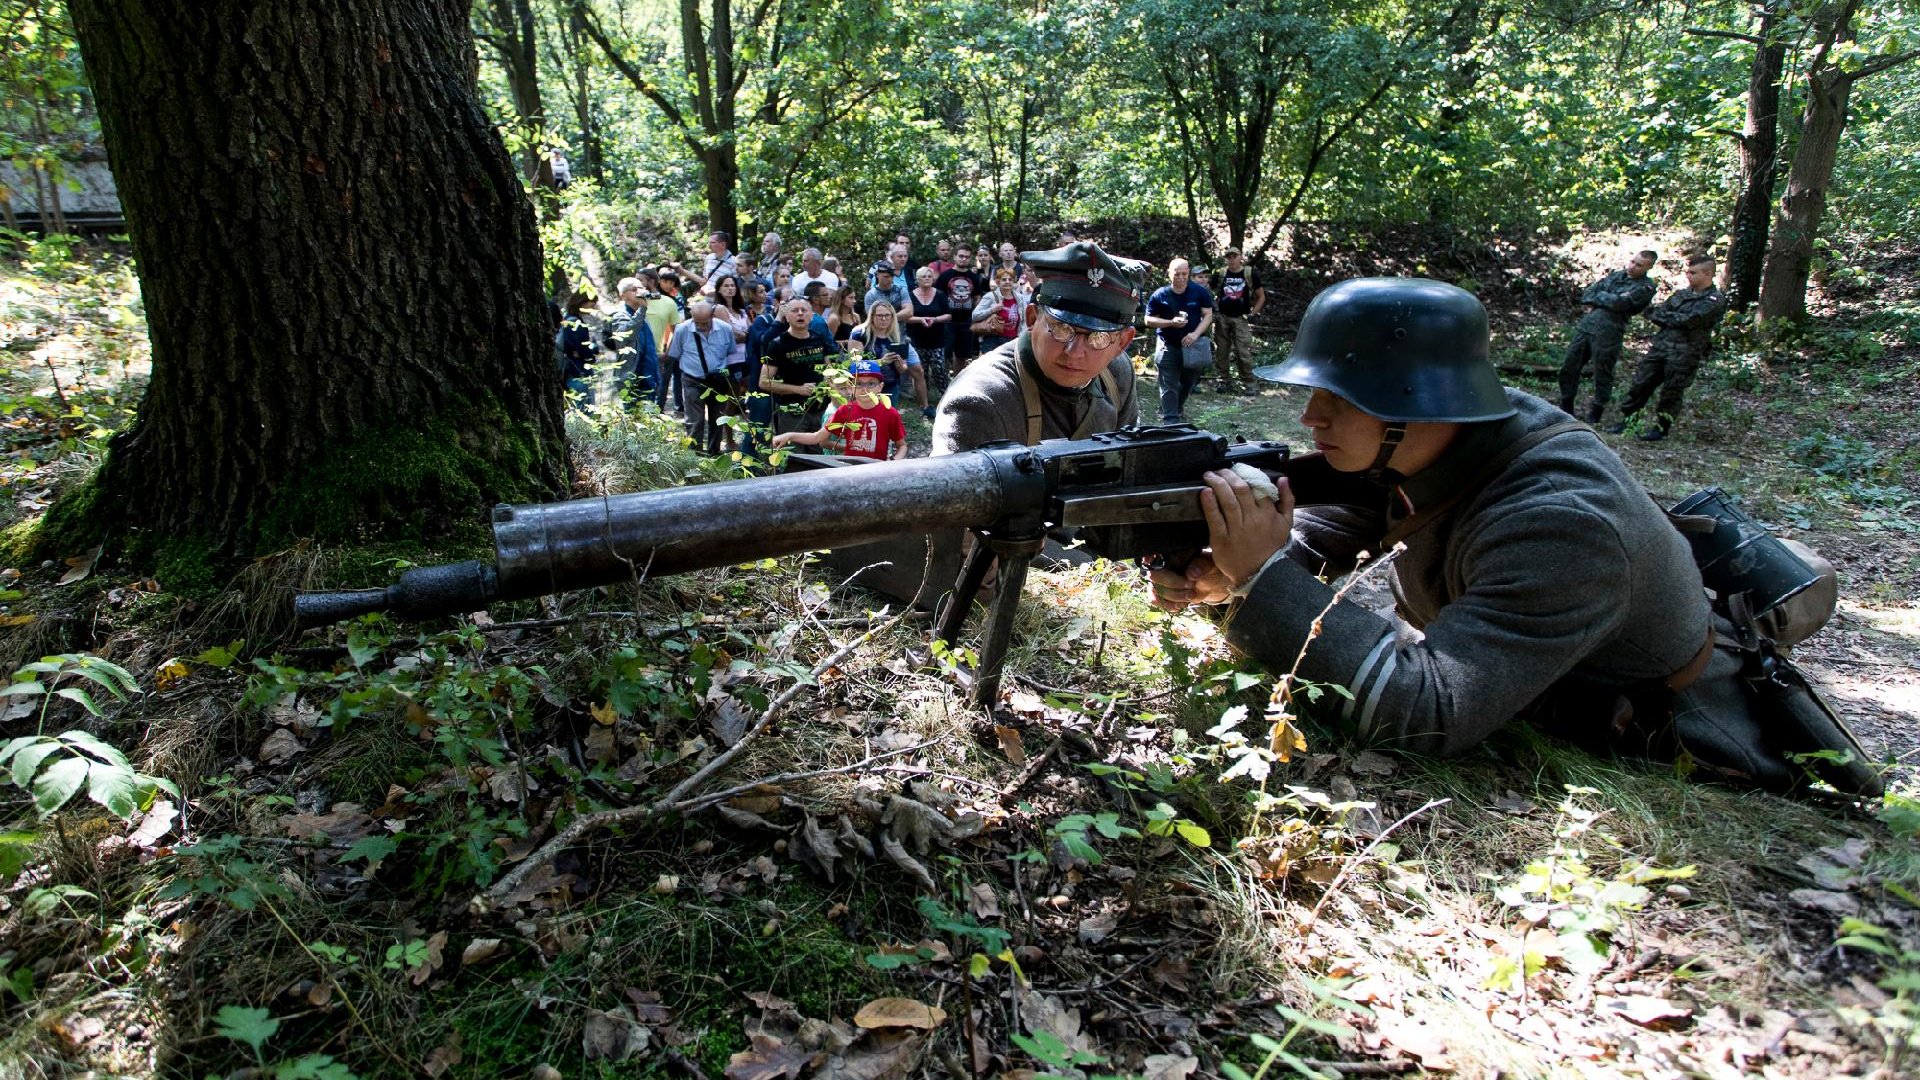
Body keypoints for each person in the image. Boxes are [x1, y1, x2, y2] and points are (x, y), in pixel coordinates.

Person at [1146, 277, 1856, 791]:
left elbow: (1429, 714)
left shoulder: (1560, 523)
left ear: (1418, 407)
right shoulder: (1448, 436)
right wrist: (1238, 565)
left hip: (1656, 730)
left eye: (1340, 397)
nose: (1311, 418)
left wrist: (1267, 578)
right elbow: (1346, 519)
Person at [934, 241, 1142, 454]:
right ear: (1032, 319)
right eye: (1062, 328)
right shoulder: (981, 400)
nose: (1075, 352)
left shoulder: (1116, 375)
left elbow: (1127, 461)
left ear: (1122, 343)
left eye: (1099, 337)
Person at [1608, 255, 1728, 441]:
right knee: (1640, 384)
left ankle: (1661, 428)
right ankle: (1628, 421)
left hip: (1685, 353)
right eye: (1687, 272)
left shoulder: (1714, 299)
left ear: (1707, 274)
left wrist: (1669, 318)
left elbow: (1690, 320)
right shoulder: (1681, 295)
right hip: (1660, 347)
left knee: (1672, 392)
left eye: (1693, 272)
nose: (1688, 276)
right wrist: (1670, 318)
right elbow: (1654, 312)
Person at [1558, 250, 1658, 424]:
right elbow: (1588, 294)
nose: (1632, 266)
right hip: (1588, 326)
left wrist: (1605, 298)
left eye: (1639, 265)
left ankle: (1596, 411)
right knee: (1569, 366)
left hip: (1610, 331)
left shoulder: (1646, 287)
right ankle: (1566, 405)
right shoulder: (1617, 276)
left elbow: (1621, 304)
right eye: (1632, 261)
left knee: (1603, 371)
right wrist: (1610, 298)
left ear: (1649, 267)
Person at [771, 359, 907, 461]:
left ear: (880, 387)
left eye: (871, 383)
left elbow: (902, 446)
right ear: (850, 387)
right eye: (858, 383)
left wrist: (893, 462)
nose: (865, 388)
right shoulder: (844, 411)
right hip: (849, 470)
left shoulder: (890, 413)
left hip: (878, 469)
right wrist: (789, 435)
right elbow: (817, 437)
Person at [665, 297, 740, 454]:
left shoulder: (725, 328)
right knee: (695, 420)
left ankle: (714, 452)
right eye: (697, 322)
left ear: (712, 316)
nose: (700, 326)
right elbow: (675, 353)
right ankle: (694, 454)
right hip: (692, 379)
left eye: (705, 323)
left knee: (717, 419)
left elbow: (731, 351)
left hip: (718, 380)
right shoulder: (682, 330)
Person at [1144, 258, 1214, 423]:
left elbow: (1208, 315)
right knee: (1169, 382)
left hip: (1192, 345)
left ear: (1188, 273)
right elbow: (1148, 320)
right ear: (1169, 274)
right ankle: (1171, 419)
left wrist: (1195, 334)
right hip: (1168, 344)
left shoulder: (1199, 292)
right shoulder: (1160, 295)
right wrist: (1170, 323)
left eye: (1184, 274)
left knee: (1188, 382)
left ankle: (1177, 408)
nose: (1181, 277)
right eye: (1177, 274)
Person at [759, 297, 841, 435]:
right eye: (795, 310)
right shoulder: (778, 344)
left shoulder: (819, 338)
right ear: (787, 316)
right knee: (794, 454)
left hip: (821, 408)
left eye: (804, 310)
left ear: (811, 315)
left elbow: (831, 372)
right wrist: (798, 389)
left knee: (820, 453)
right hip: (792, 410)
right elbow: (763, 382)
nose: (800, 313)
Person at [848, 298, 923, 413]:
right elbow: (854, 365)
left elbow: (903, 369)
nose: (884, 319)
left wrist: (900, 365)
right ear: (872, 316)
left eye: (887, 315)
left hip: (890, 386)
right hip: (865, 388)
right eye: (879, 315)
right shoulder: (860, 334)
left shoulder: (895, 335)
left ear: (892, 317)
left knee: (887, 421)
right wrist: (880, 362)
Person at [1214, 248, 1265, 393]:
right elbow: (1209, 289)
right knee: (1221, 350)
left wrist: (1253, 313)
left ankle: (1249, 383)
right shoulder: (1221, 273)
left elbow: (1261, 296)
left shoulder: (1249, 273)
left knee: (1243, 351)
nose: (1232, 259)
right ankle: (1223, 381)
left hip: (1240, 318)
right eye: (1229, 257)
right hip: (1222, 317)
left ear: (1240, 257)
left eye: (1234, 256)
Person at [607, 276, 660, 407]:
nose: (640, 292)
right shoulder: (620, 315)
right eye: (634, 289)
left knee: (649, 420)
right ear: (622, 295)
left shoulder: (641, 315)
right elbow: (625, 335)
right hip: (632, 379)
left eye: (641, 288)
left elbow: (650, 349)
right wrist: (642, 310)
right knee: (633, 420)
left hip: (649, 376)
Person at [905, 266, 951, 417]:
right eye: (924, 276)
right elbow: (906, 317)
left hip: (936, 340)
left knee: (939, 370)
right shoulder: (910, 296)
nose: (927, 279)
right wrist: (921, 319)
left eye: (929, 276)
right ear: (917, 280)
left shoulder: (940, 295)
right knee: (920, 372)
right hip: (916, 340)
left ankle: (947, 397)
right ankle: (922, 402)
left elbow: (949, 315)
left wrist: (935, 319)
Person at [936, 246, 987, 375]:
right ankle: (942, 380)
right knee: (945, 353)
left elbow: (977, 298)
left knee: (962, 355)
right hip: (948, 321)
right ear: (955, 257)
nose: (964, 259)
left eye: (967, 257)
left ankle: (956, 379)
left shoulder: (974, 277)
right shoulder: (945, 276)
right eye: (961, 256)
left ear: (970, 259)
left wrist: (976, 317)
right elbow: (938, 297)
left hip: (966, 321)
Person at [644, 271, 685, 412]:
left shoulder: (673, 299)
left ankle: (660, 408)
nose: (669, 285)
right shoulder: (639, 300)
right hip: (645, 347)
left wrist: (670, 348)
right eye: (666, 281)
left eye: (671, 282)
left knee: (668, 376)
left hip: (666, 343)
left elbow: (677, 326)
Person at [970, 266, 1028, 355]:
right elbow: (975, 316)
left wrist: (1021, 337)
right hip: (993, 340)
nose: (1007, 282)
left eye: (1010, 279)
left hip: (1013, 341)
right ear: (998, 282)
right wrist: (992, 309)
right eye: (1004, 279)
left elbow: (1024, 320)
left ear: (1014, 281)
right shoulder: (990, 296)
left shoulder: (1019, 298)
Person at [556, 291, 600, 404]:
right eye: (592, 304)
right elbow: (582, 349)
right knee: (585, 410)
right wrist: (592, 352)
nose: (593, 308)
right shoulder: (575, 323)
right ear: (582, 303)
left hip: (571, 371)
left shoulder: (568, 319)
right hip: (578, 371)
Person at [697, 231, 740, 295]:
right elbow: (706, 280)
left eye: (712, 243)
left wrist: (714, 292)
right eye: (709, 242)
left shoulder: (734, 262)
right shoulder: (709, 258)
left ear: (723, 245)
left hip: (724, 303)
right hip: (707, 300)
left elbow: (735, 287)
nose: (709, 245)